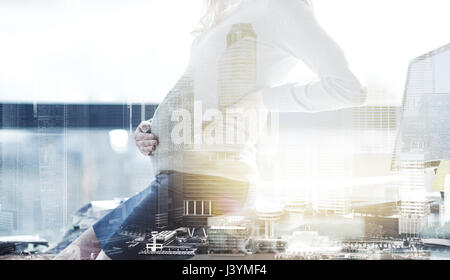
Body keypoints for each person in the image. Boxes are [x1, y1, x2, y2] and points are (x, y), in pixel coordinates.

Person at [55, 0, 366, 260]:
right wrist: (154, 128)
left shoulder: (282, 7)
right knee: (80, 250)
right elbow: (203, 91)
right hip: (175, 179)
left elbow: (348, 88)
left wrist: (262, 100)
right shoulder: (235, 11)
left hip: (205, 184)